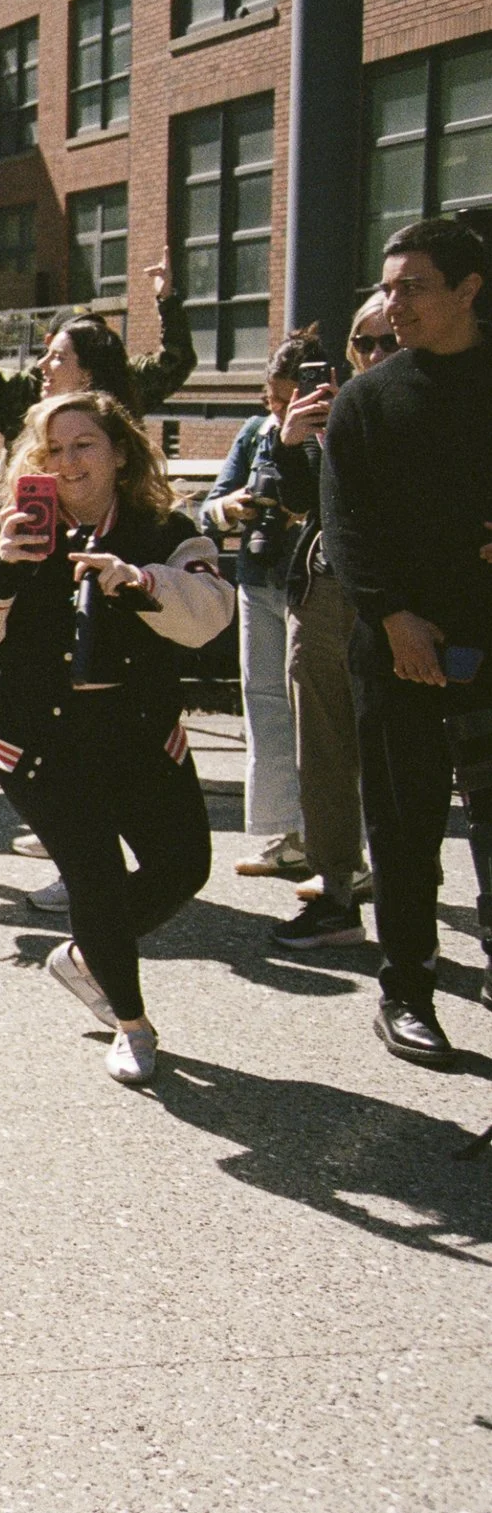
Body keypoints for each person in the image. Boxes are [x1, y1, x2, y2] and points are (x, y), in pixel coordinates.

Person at [0, 391, 234, 1084]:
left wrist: (137, 581)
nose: (67, 464)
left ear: (120, 452)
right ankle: (131, 1022)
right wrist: (4, 567)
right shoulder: (10, 527)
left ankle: (85, 956)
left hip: (135, 727)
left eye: (83, 446)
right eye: (52, 450)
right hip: (38, 734)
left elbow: (211, 615)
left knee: (183, 865)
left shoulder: (163, 530)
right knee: (93, 875)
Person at [322, 216, 492, 1067]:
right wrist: (392, 618)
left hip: (486, 646)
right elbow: (343, 527)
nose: (394, 304)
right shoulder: (368, 398)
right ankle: (408, 990)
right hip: (396, 650)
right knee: (402, 825)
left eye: (413, 285)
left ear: (470, 288)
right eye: (388, 287)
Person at [267, 298, 394, 949]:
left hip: (408, 599)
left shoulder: (436, 405)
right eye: (362, 344)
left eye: (386, 342)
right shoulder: (328, 414)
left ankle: (415, 909)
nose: (374, 356)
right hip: (324, 591)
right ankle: (338, 891)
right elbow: (296, 503)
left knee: (416, 756)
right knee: (322, 749)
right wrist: (292, 445)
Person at [201, 332, 332, 882]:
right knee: (266, 704)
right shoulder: (256, 433)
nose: (278, 413)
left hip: (318, 584)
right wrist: (232, 509)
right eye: (270, 402)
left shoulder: (338, 431)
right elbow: (209, 508)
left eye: (288, 402)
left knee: (324, 716)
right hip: (259, 576)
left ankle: (336, 841)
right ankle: (288, 834)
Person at [0, 258, 196, 442]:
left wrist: (167, 301)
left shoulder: (121, 384)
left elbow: (176, 361)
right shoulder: (27, 391)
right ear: (50, 340)